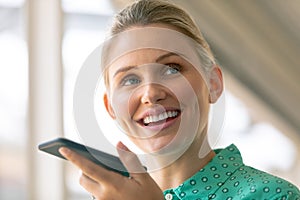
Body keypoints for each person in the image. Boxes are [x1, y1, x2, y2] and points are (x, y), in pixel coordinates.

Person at [59, 0, 300, 199]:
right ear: (110, 107)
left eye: (171, 69)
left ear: (213, 84)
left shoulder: (273, 195)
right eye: (130, 80)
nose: (151, 93)